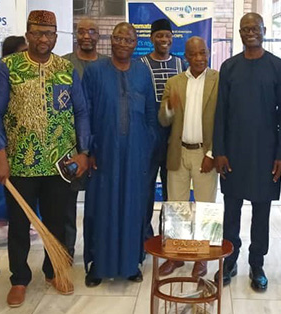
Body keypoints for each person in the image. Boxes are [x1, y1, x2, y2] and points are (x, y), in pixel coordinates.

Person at [0, 10, 91, 307]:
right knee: (19, 225)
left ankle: (53, 271)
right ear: (27, 35)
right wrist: (0, 155)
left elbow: (81, 111)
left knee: (57, 223)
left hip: (60, 162)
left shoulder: (65, 68)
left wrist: (84, 152)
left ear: (56, 37)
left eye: (48, 33)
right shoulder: (7, 68)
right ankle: (19, 279)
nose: (43, 39)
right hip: (19, 161)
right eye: (37, 33)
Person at [213, 13, 281, 292]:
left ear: (264, 30)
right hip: (233, 152)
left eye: (254, 28)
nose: (250, 33)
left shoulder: (279, 67)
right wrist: (219, 150)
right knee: (231, 211)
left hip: (266, 153)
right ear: (239, 33)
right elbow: (221, 112)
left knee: (261, 212)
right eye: (245, 29)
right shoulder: (229, 67)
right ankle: (229, 261)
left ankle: (257, 264)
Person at [83, 22, 158, 287]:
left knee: (133, 207)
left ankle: (130, 264)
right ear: (110, 40)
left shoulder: (142, 72)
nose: (123, 44)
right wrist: (88, 149)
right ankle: (98, 265)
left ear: (136, 44)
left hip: (135, 153)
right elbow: (84, 113)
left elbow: (151, 113)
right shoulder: (95, 71)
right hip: (103, 153)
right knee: (101, 207)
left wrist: (147, 145)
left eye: (128, 40)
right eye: (118, 38)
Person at [157, 36, 219, 279]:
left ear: (208, 53)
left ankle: (203, 258)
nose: (199, 58)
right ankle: (176, 256)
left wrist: (212, 153)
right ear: (186, 57)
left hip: (205, 153)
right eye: (193, 54)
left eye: (202, 53)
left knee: (206, 207)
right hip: (178, 152)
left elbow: (223, 120)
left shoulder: (218, 80)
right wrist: (170, 107)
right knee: (176, 206)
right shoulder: (174, 82)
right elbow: (163, 120)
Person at [140, 18, 185, 237]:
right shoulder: (141, 64)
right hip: (148, 135)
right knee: (145, 190)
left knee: (172, 191)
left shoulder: (181, 64)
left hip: (173, 136)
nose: (164, 39)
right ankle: (144, 236)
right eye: (159, 35)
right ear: (151, 38)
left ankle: (168, 237)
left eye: (167, 35)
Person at [0, 35, 28, 229]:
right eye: (23, 51)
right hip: (5, 139)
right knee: (2, 183)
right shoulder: (2, 72)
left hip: (25, 141)